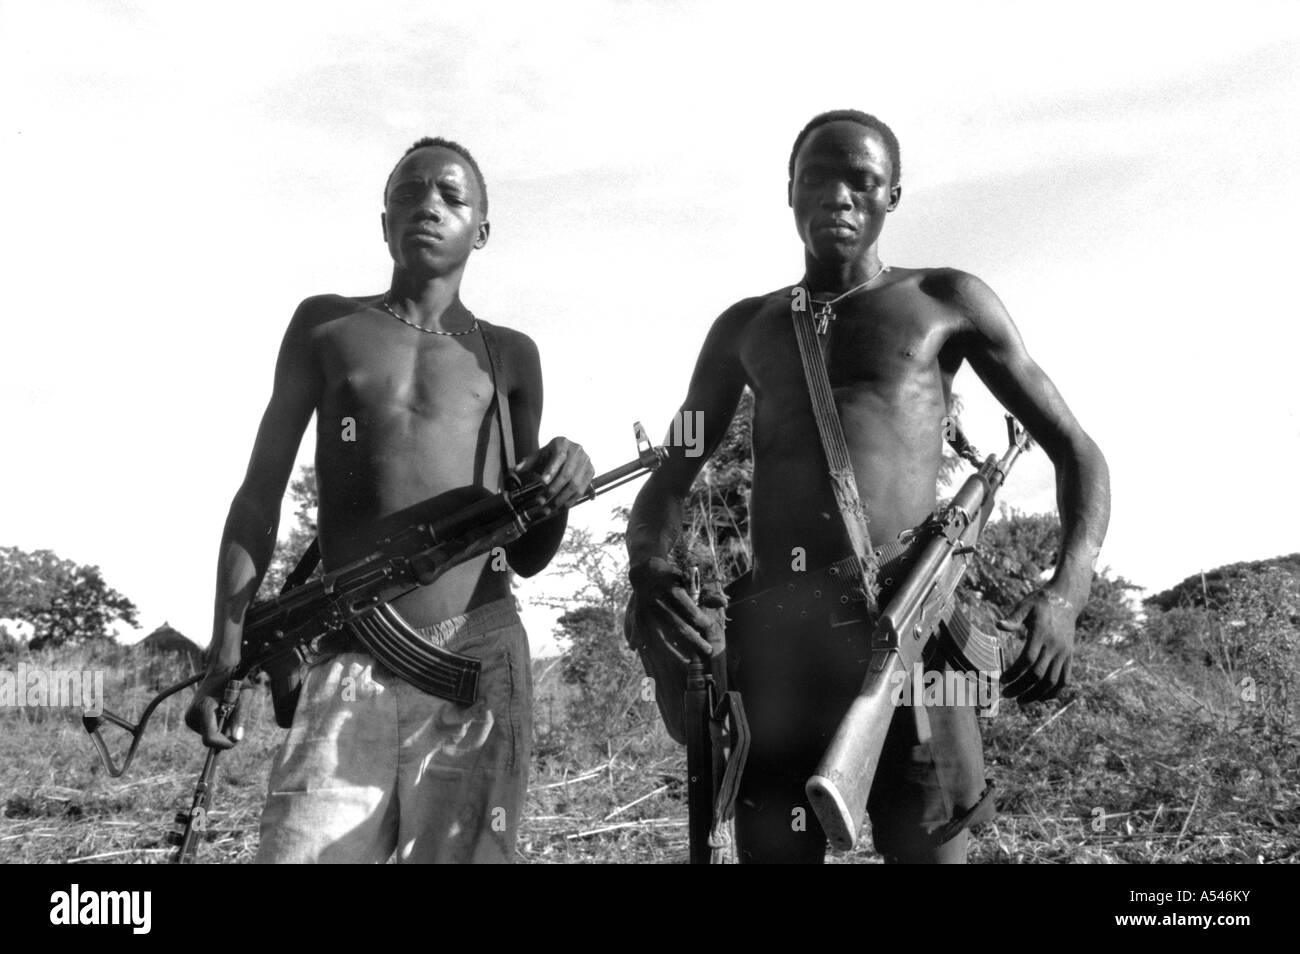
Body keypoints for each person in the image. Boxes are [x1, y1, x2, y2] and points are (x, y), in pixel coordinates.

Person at [625, 110, 1110, 864]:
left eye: (862, 181)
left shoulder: (948, 301)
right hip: (780, 650)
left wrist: (1067, 592)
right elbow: (673, 474)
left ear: (894, 195)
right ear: (789, 190)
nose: (839, 197)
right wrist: (651, 571)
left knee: (938, 845)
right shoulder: (743, 332)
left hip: (926, 647)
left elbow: (1078, 452)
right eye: (818, 178)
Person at [185, 136, 593, 863]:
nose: (427, 207)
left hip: (476, 657)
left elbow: (528, 554)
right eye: (408, 194)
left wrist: (562, 480)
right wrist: (227, 644)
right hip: (347, 653)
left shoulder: (511, 356)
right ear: (383, 223)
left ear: (483, 230)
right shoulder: (327, 326)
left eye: (451, 197)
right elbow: (258, 494)